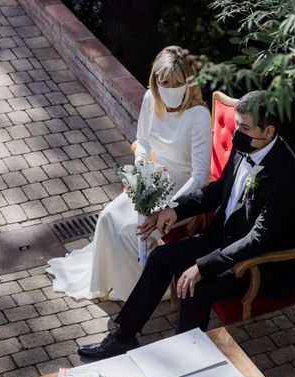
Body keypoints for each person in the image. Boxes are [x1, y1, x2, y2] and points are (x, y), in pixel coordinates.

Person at [78, 91, 295, 358]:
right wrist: (176, 210)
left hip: (259, 262)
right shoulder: (248, 144)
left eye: (244, 127)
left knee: (196, 284)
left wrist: (203, 266)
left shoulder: (285, 178)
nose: (236, 133)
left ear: (268, 131)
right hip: (224, 236)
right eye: (235, 125)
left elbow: (258, 239)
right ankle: (124, 335)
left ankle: (186, 357)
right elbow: (219, 189)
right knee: (161, 258)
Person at [47, 46, 211, 302]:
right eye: (163, 81)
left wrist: (171, 207)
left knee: (130, 233)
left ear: (188, 82)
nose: (169, 88)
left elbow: (200, 175)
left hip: (182, 187)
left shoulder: (198, 115)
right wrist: (139, 173)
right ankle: (109, 280)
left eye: (176, 83)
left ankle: (141, 290)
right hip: (153, 177)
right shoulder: (150, 99)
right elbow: (142, 142)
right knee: (107, 218)